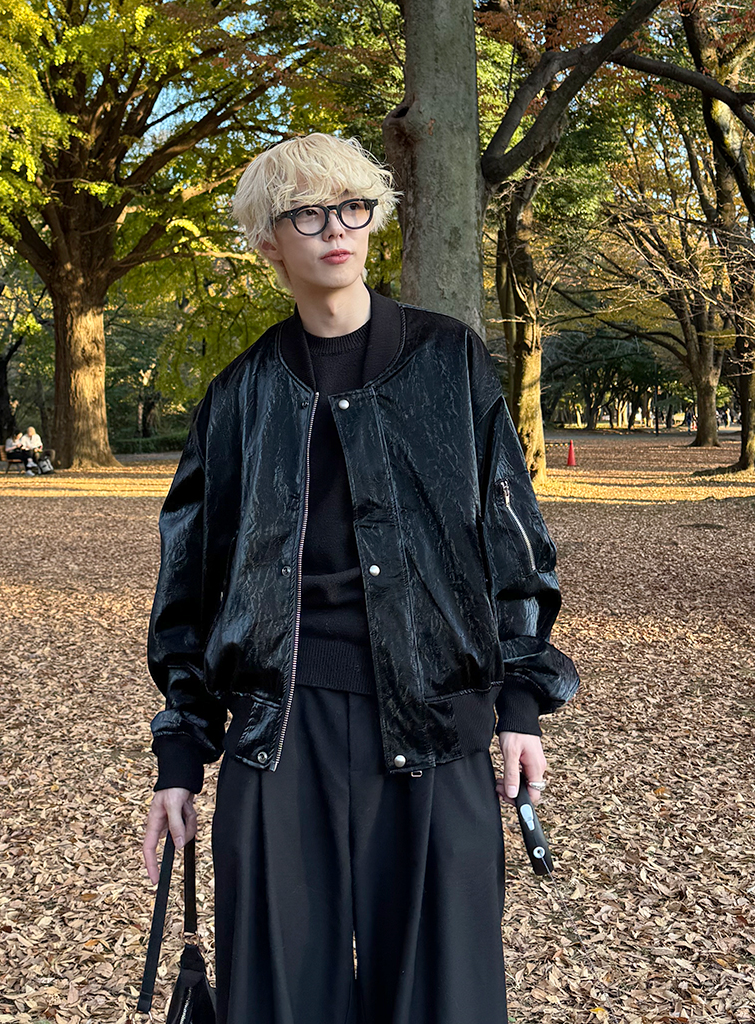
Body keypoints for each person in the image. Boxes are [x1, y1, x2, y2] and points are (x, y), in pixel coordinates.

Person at [142, 133, 579, 1024]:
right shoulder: (238, 396)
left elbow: (512, 540)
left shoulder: (450, 361)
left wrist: (519, 703)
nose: (336, 229)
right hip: (278, 731)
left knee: (445, 995)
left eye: (353, 207)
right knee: (280, 995)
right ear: (268, 241)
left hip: (434, 718)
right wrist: (180, 754)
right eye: (307, 214)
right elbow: (189, 585)